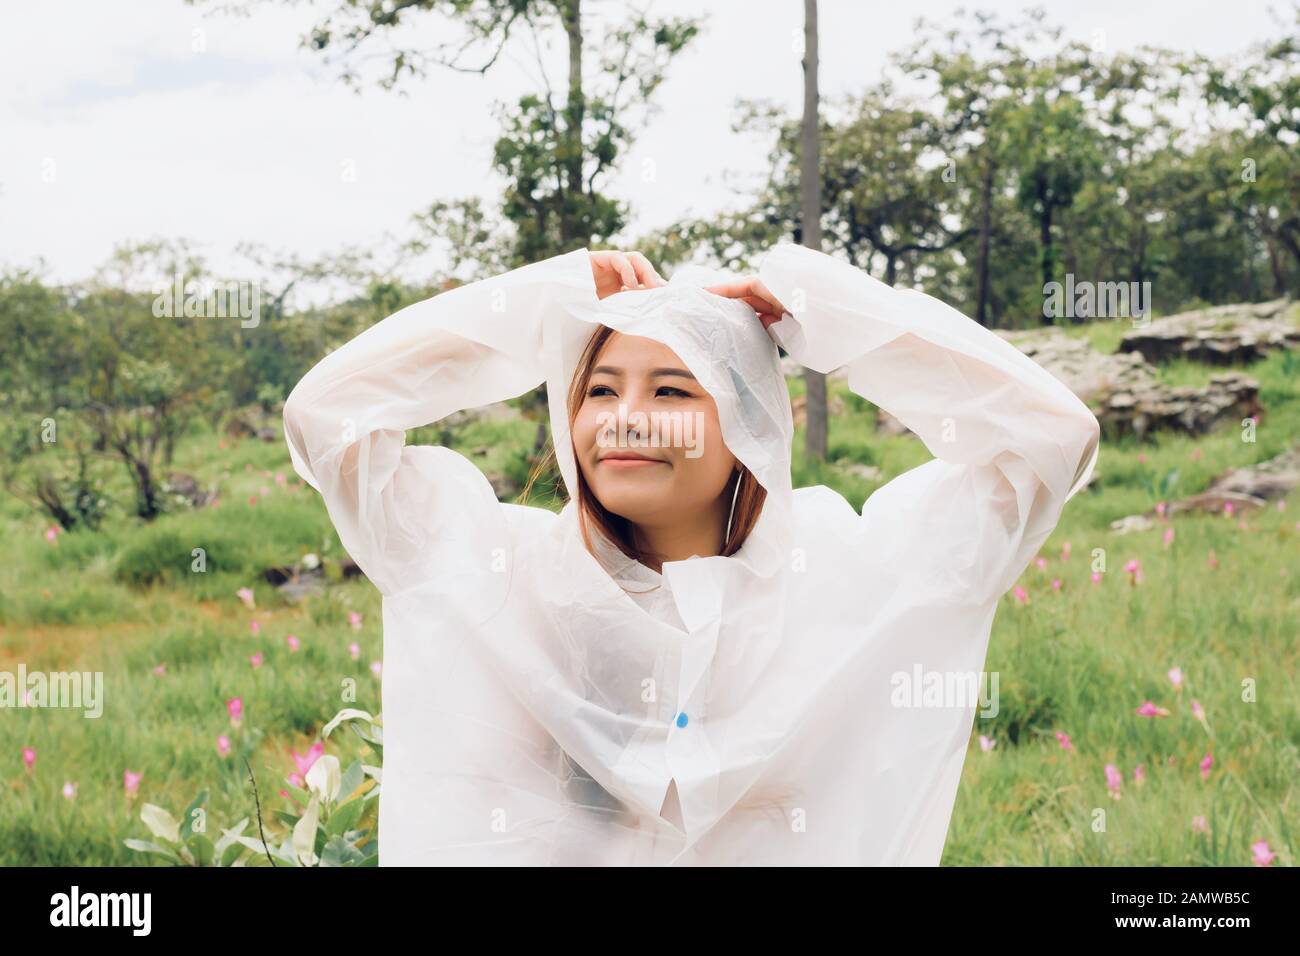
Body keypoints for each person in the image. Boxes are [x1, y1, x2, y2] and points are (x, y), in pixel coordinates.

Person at [282, 244, 1100, 865]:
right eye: (600, 390)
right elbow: (326, 416)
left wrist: (830, 313)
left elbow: (1051, 437)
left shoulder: (854, 577)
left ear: (748, 423)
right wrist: (542, 301)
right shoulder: (491, 570)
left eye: (672, 390)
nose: (626, 418)